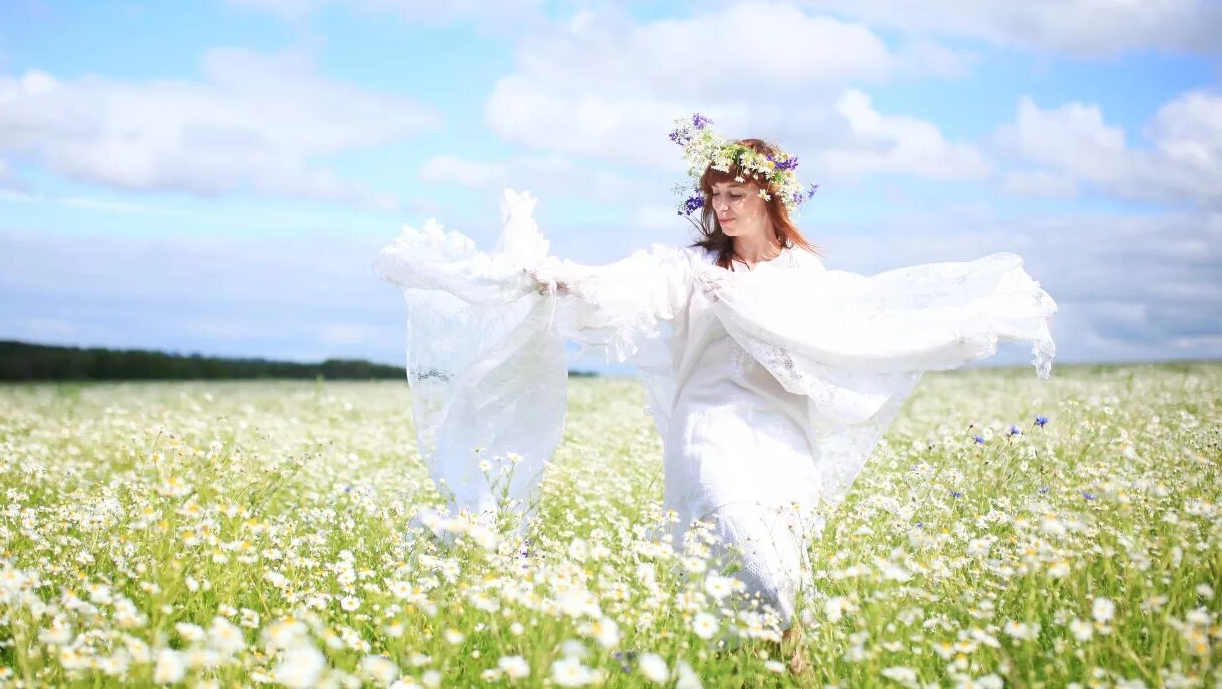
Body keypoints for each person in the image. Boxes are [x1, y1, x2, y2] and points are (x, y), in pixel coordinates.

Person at [374, 114, 1058, 676]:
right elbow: (631, 286)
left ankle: (772, 668)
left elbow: (843, 335)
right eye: (715, 196)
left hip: (783, 439)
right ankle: (773, 660)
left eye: (735, 195)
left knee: (775, 570)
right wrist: (561, 277)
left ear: (768, 199)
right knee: (742, 543)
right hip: (709, 433)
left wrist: (956, 319)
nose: (722, 208)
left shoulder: (804, 275)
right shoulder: (694, 270)